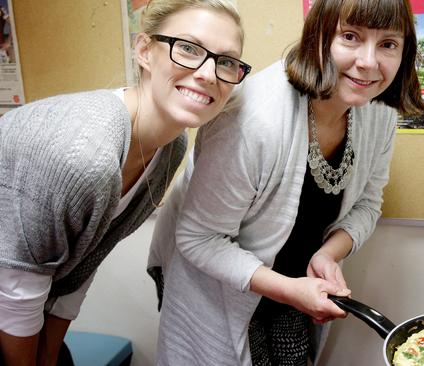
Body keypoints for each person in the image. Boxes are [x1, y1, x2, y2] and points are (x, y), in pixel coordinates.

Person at [147, 0, 424, 365]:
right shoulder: (252, 120)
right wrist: (289, 289)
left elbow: (367, 204)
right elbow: (199, 240)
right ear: (318, 37)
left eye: (388, 44)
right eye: (350, 37)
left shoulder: (379, 113)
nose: (369, 62)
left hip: (295, 284)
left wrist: (328, 254)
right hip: (215, 278)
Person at [0, 0, 250, 364]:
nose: (208, 73)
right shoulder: (84, 155)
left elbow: (85, 262)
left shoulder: (170, 148)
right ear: (145, 51)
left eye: (226, 61)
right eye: (188, 48)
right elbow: (17, 288)